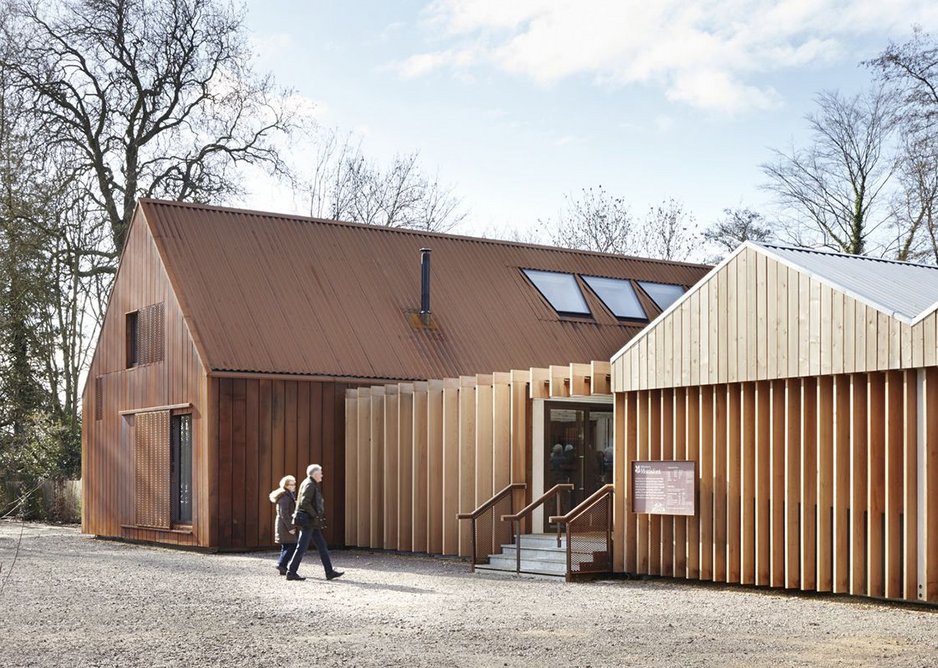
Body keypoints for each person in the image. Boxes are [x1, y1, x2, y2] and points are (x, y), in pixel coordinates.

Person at [287, 464, 344, 581]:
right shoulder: (310, 484)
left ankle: (329, 572)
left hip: (310, 522)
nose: (322, 475)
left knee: (322, 546)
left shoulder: (309, 483)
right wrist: (315, 515)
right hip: (308, 521)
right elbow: (304, 502)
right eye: (321, 472)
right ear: (315, 474)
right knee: (302, 547)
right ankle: (291, 572)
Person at [269, 475, 298, 576]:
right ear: (286, 485)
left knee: (286, 545)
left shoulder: (288, 495)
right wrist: (290, 527)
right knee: (292, 545)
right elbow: (284, 514)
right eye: (292, 484)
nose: (294, 486)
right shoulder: (285, 496)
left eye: (294, 483)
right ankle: (281, 564)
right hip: (285, 525)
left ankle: (283, 567)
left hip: (284, 524)